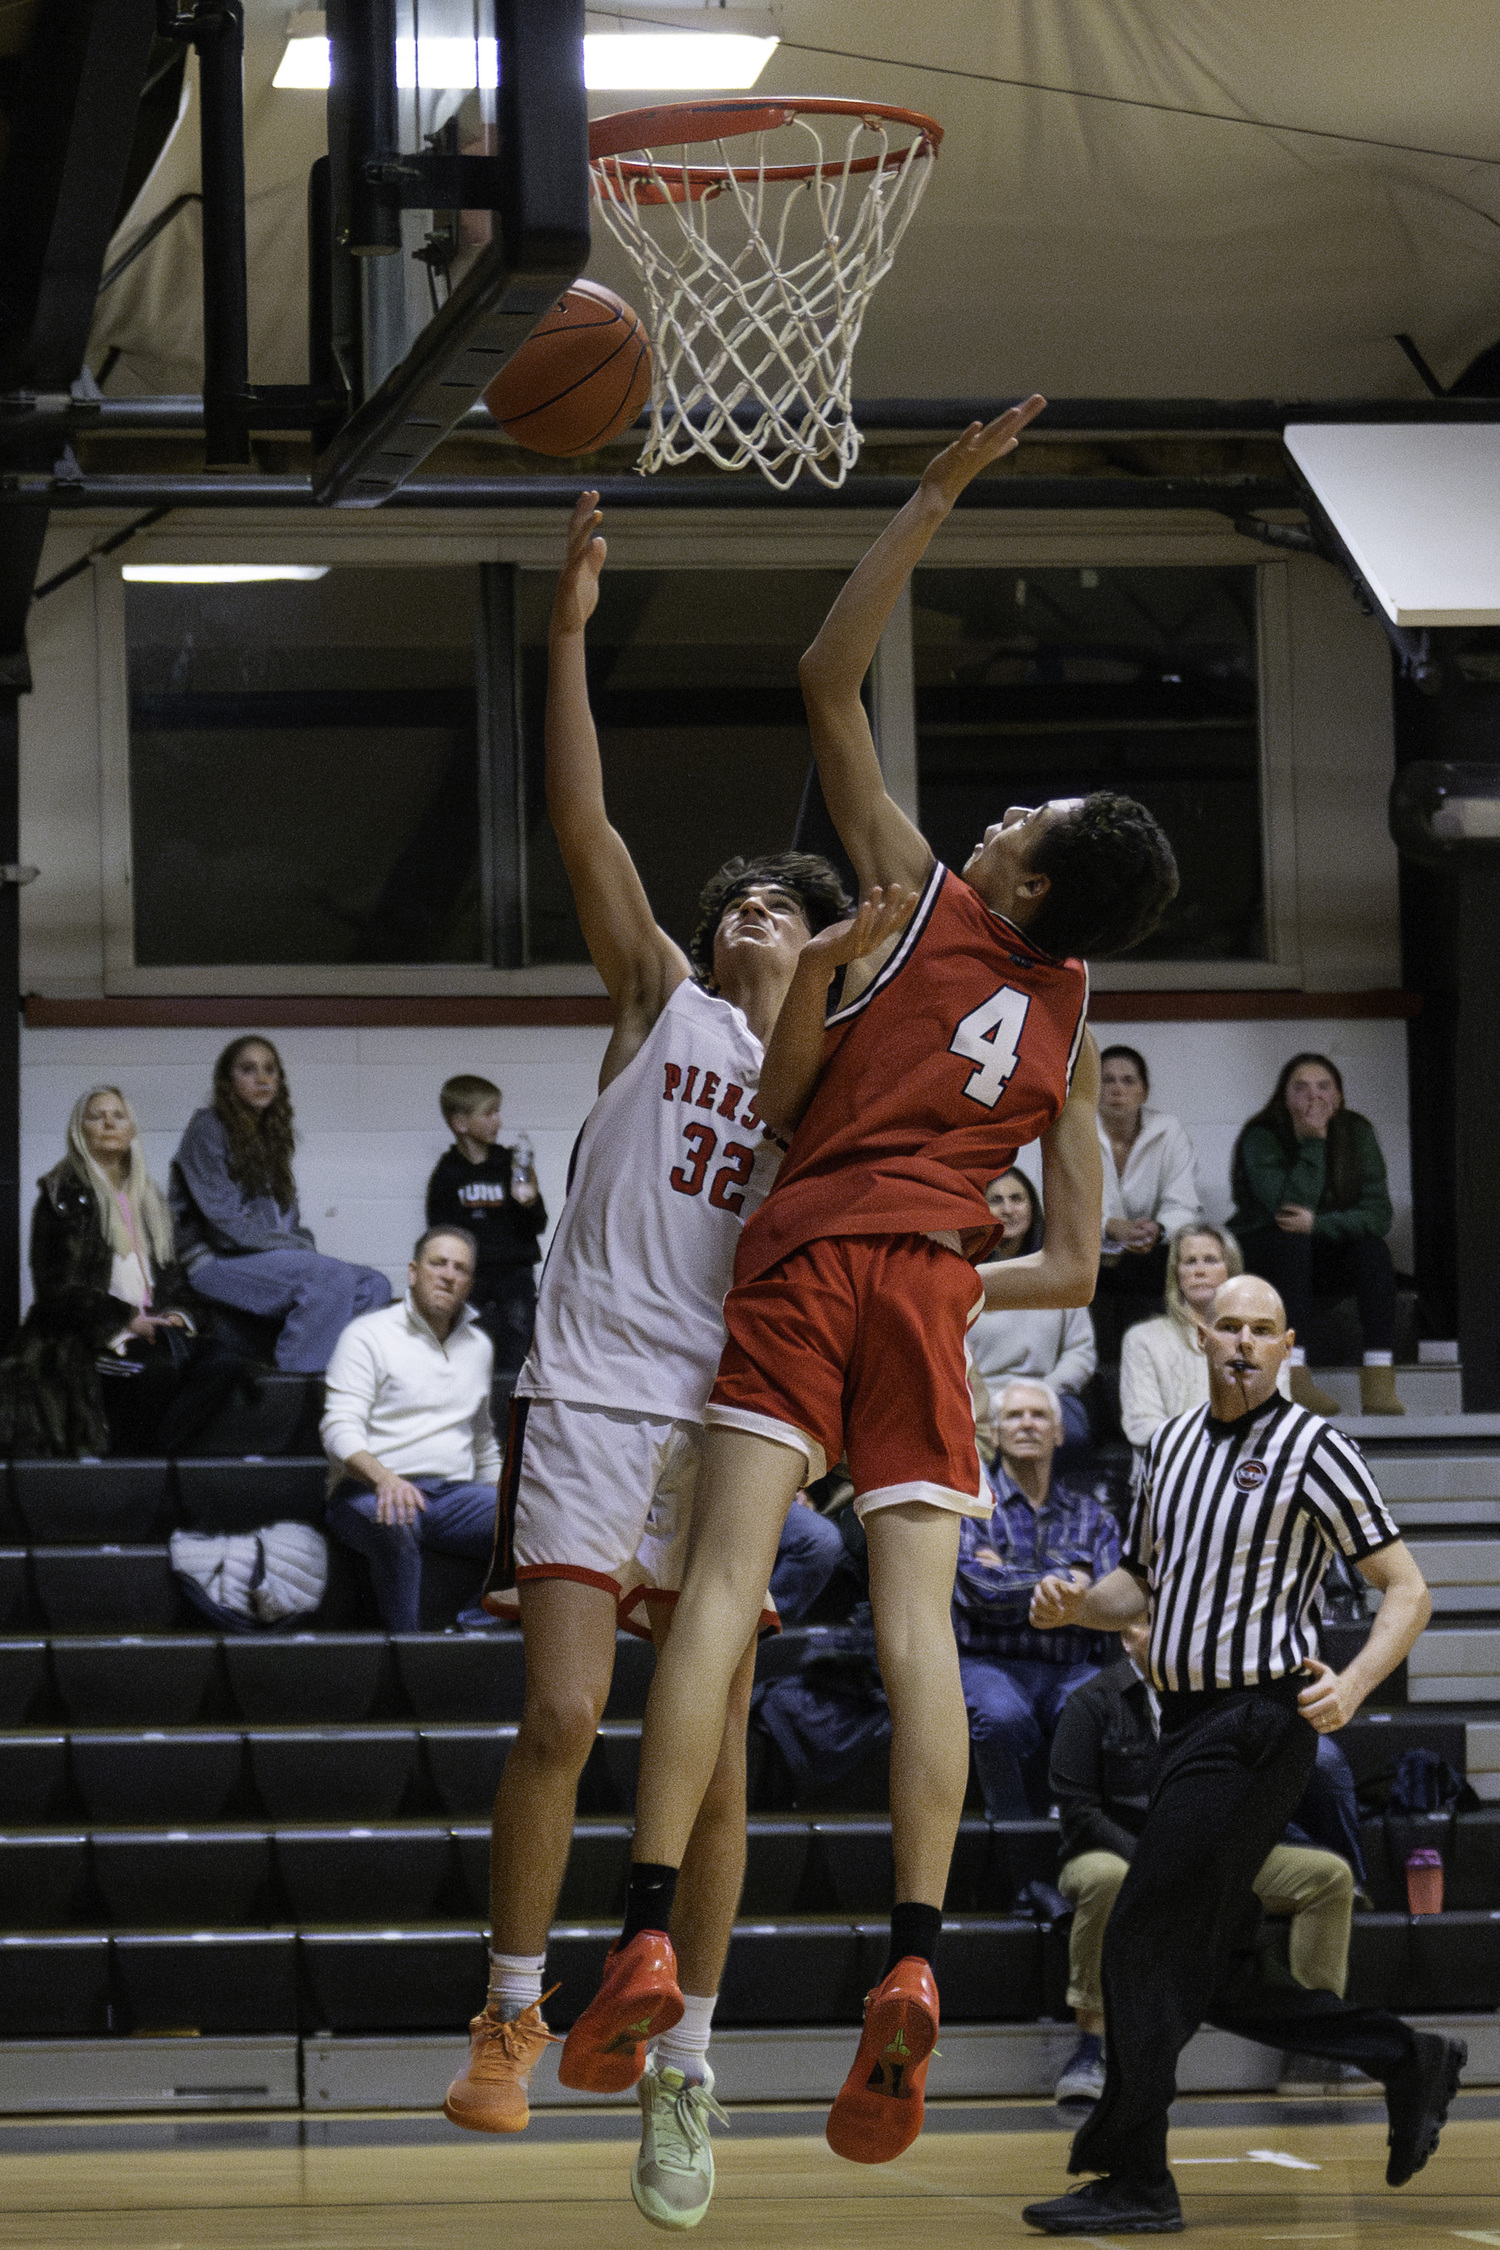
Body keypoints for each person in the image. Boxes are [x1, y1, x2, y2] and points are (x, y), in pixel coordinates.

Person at [560, 403, 1180, 2171]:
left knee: (718, 1598)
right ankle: (909, 1961)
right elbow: (1075, 1263)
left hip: (811, 1256)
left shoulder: (911, 893)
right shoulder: (1068, 1037)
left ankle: (653, 1927)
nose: (1003, 809)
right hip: (928, 1295)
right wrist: (958, 1272)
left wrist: (935, 494)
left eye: (1031, 814)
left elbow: (827, 674)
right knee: (918, 1633)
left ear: (1028, 879)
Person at [441, 488, 855, 2234]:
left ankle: (687, 2068)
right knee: (559, 1715)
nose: (753, 911)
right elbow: (582, 814)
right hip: (596, 1395)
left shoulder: (829, 1090)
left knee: (723, 1762)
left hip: (734, 1427)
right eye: (743, 896)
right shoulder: (659, 994)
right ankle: (512, 2010)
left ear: (821, 946)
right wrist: (565, 637)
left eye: (784, 905)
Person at [1021, 1272, 1461, 2235]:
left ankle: (1137, 2175)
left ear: (1287, 1343)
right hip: (1186, 1725)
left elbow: (1408, 1590)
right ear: (1199, 1333)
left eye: (1265, 1330)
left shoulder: (1313, 1446)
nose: (1246, 1344)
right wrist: (1076, 1605)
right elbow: (1138, 1585)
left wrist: (1349, 1686)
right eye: (1230, 1327)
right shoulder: (1168, 1447)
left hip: (1260, 1725)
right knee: (1216, 1972)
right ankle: (1403, 2055)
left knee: (1139, 1933)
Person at [1049, 1616, 1360, 2107]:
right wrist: (1158, 1862)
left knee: (1327, 1878)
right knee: (1110, 1881)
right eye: (1157, 1619)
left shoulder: (1219, 1698)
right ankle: (1093, 2047)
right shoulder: (1092, 1701)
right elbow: (1079, 1813)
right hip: (1110, 1853)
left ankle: (1312, 2047)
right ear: (1129, 1636)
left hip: (1209, 1849)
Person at [0, 1086, 242, 1457]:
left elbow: (173, 1278)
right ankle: (136, 1467)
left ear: (131, 1130)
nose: (109, 1123)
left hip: (152, 1328)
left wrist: (178, 1315)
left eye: (118, 1115)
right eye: (97, 1116)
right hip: (88, 1336)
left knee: (225, 1362)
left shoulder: (149, 1198)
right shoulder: (61, 1195)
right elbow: (57, 1289)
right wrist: (126, 1319)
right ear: (80, 1131)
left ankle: (155, 1460)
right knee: (156, 1371)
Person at [170, 1036, 390, 1373]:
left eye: (270, 1070)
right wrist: (304, 1252)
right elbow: (227, 1226)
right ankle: (296, 1390)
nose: (262, 1078)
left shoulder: (271, 1137)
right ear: (228, 1081)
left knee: (375, 1286)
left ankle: (334, 1374)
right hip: (217, 1261)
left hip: (265, 1257)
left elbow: (290, 1223)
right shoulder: (207, 1129)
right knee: (328, 1276)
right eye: (248, 1070)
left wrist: (304, 1249)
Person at [954, 1379, 1120, 1819]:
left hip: (1071, 1665)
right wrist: (1068, 1580)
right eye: (1014, 1415)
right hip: (988, 1663)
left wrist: (1008, 1575)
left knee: (1095, 1710)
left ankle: (1082, 1838)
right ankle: (1014, 1844)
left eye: (1039, 1415)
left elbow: (1110, 1604)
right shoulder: (969, 1506)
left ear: (1059, 1433)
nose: (1027, 1424)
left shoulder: (1094, 1517)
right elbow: (978, 1593)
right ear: (993, 1433)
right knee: (1001, 1716)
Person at [321, 1228, 500, 1633]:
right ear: (413, 1272)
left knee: (537, 1515)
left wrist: (501, 1495)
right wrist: (385, 1478)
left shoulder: (478, 1347)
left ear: (469, 1283)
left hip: (451, 1495)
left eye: (461, 1269)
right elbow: (338, 1427)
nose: (448, 1275)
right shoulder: (368, 1334)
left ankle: (475, 1628)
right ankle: (408, 1648)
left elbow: (482, 1439)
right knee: (397, 1517)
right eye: (438, 1264)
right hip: (366, 1490)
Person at [1229, 1052, 1403, 1417]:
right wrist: (1313, 1142)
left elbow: (1378, 1214)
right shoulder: (1261, 1135)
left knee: (1372, 1249)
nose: (1314, 1096)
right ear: (1284, 1097)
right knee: (1293, 1241)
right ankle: (1295, 1371)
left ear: (1339, 1097)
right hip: (1265, 1248)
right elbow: (1287, 1210)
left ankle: (1378, 1374)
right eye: (1301, 1087)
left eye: (1324, 1087)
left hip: (1323, 1246)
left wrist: (1319, 1224)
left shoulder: (1357, 1131)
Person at [425, 1074, 547, 1394]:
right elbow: (439, 1232)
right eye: (488, 1113)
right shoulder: (448, 1173)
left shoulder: (512, 1164)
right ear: (461, 1123)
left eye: (498, 1111)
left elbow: (538, 1223)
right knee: (464, 1334)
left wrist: (529, 1202)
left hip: (513, 1271)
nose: (498, 1120)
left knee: (520, 1326)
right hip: (471, 1274)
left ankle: (513, 1399)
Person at [1118, 1223, 1290, 1450]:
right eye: (1190, 1261)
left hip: (1244, 1467)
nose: (1199, 1271)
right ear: (1177, 1274)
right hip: (1169, 1471)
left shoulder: (1265, 1342)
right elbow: (1141, 1427)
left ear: (1231, 1270)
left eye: (1210, 1260)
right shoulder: (1142, 1339)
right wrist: (1209, 1447)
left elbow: (1279, 1420)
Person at [969, 1168, 1097, 1461]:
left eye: (1017, 1199)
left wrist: (1040, 1394)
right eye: (997, 1200)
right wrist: (990, 1405)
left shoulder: (1061, 1276)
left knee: (1071, 1437)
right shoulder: (962, 1279)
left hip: (1046, 1397)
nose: (1008, 1209)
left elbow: (1081, 1351)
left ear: (1032, 1208)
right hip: (980, 1406)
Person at [1092, 1045, 1200, 1324]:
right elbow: (1061, 1207)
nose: (1117, 1089)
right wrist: (1110, 1227)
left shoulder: (1168, 1131)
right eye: (1107, 1080)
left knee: (1166, 1259)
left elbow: (1184, 1205)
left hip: (1151, 1250)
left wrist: (1158, 1229)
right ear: (1093, 1087)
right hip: (1090, 1250)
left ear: (1145, 1092)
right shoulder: (1075, 1132)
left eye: (1128, 1081)